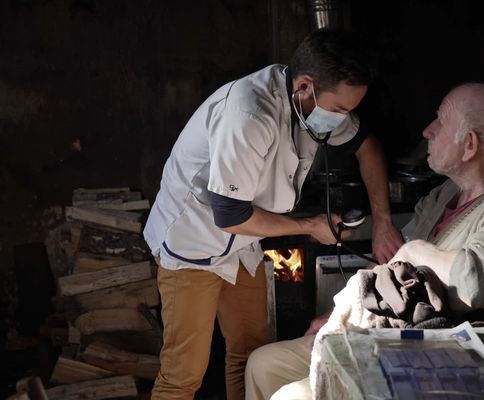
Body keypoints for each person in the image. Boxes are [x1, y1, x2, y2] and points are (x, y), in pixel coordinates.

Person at [245, 82, 484, 399]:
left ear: (469, 145)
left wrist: (414, 251)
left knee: (291, 396)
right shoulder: (448, 193)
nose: (428, 131)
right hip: (387, 334)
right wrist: (342, 310)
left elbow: (476, 283)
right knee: (263, 364)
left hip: (448, 358)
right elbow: (391, 261)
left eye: (441, 121)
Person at [143, 28, 404, 400]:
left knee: (251, 353)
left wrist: (383, 222)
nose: (343, 118)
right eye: (340, 109)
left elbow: (367, 146)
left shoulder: (311, 101)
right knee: (184, 374)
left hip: (242, 243)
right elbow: (229, 213)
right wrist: (310, 226)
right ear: (303, 86)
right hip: (194, 242)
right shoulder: (249, 113)